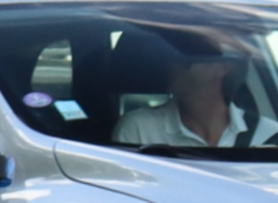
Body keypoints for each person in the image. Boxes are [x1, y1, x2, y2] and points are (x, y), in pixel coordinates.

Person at [113, 36, 278, 148]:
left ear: (222, 68)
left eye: (185, 62)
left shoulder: (269, 136)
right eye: (170, 60)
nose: (172, 68)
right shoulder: (140, 128)